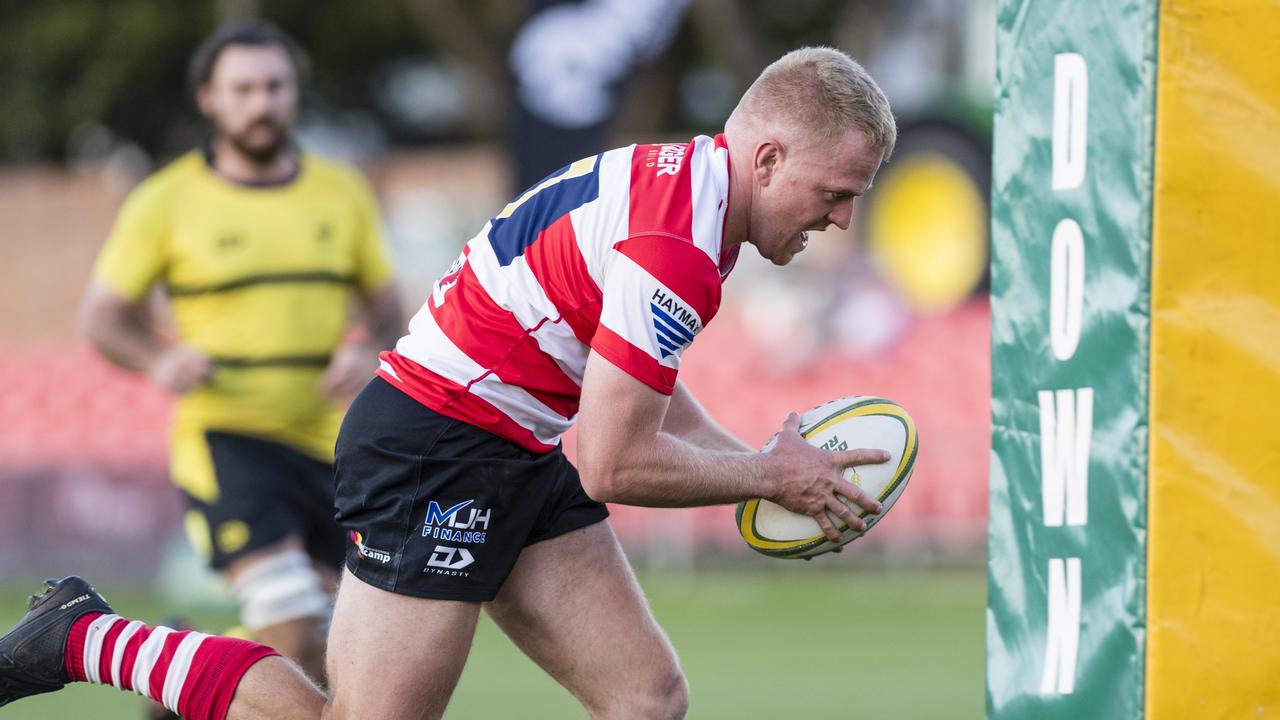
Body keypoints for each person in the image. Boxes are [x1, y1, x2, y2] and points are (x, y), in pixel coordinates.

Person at [0, 46, 895, 720]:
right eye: (837, 190)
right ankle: (85, 635)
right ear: (769, 158)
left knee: (647, 699)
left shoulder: (687, 193)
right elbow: (615, 464)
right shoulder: (677, 242)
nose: (843, 218)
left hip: (511, 445)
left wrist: (759, 465)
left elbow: (635, 388)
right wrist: (772, 477)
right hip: (431, 448)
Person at [72, 22, 403, 686]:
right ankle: (174, 668)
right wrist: (156, 359)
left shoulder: (342, 191)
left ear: (294, 93)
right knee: (291, 617)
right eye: (243, 89)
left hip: (333, 443)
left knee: (328, 644)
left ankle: (176, 668)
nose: (262, 103)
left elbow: (390, 308)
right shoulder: (165, 200)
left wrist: (367, 348)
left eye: (275, 86)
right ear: (208, 99)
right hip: (228, 438)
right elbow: (103, 318)